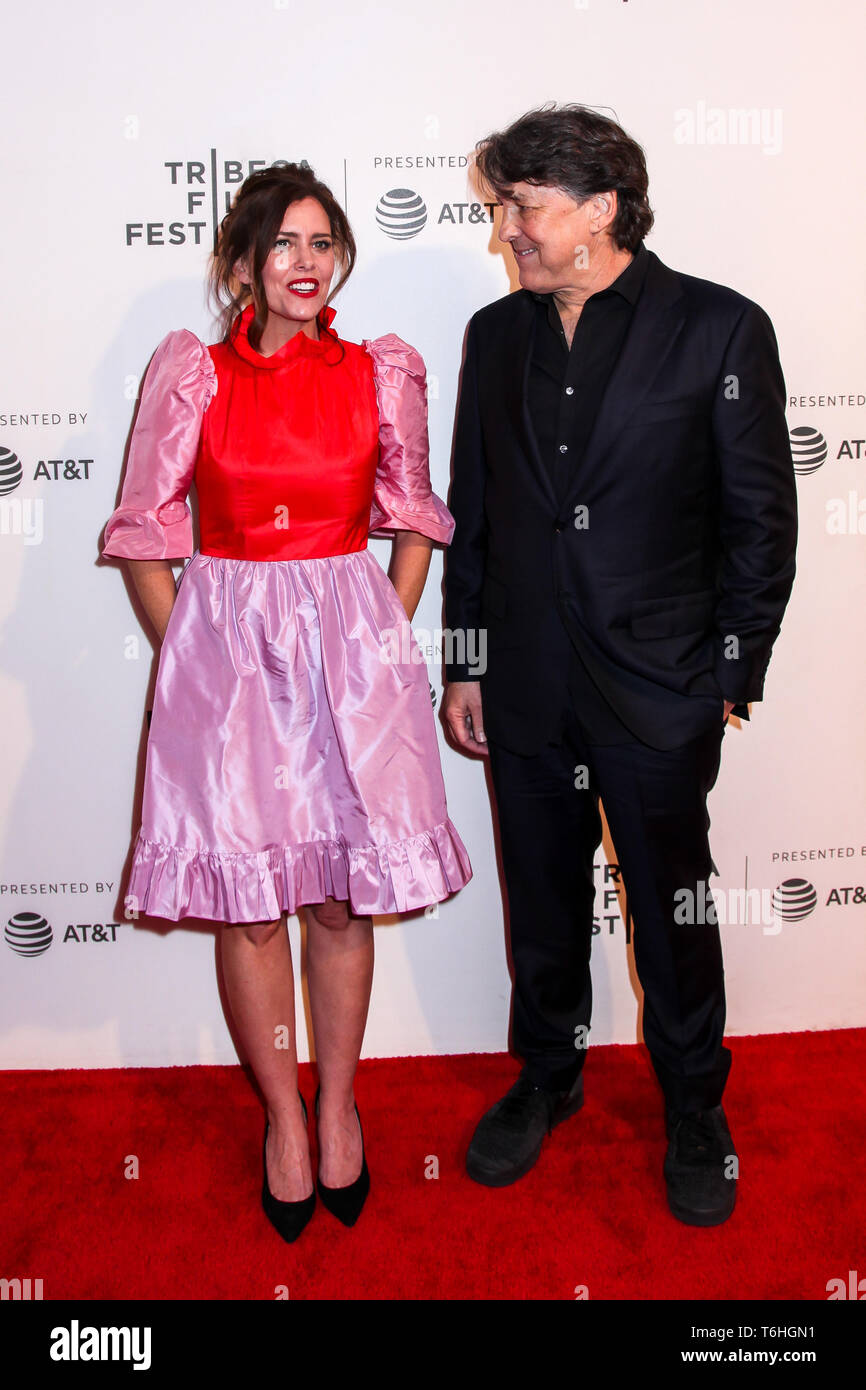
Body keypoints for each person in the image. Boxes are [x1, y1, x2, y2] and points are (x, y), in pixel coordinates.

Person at [102, 161, 471, 1242]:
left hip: (348, 674)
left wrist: (381, 636)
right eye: (283, 245)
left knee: (340, 899)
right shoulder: (192, 376)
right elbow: (144, 530)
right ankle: (281, 1120)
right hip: (227, 678)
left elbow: (411, 517)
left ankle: (341, 1103)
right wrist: (198, 661)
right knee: (254, 903)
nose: (305, 263)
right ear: (241, 267)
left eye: (322, 243)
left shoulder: (377, 372)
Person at [442, 105, 796, 1226]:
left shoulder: (718, 330)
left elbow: (759, 522)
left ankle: (693, 1101)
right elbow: (477, 517)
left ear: (600, 208)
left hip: (659, 690)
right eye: (502, 207)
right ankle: (547, 1075)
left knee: (671, 910)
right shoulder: (493, 339)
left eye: (525, 208)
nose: (507, 231)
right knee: (541, 901)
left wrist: (726, 677)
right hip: (528, 684)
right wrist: (464, 664)